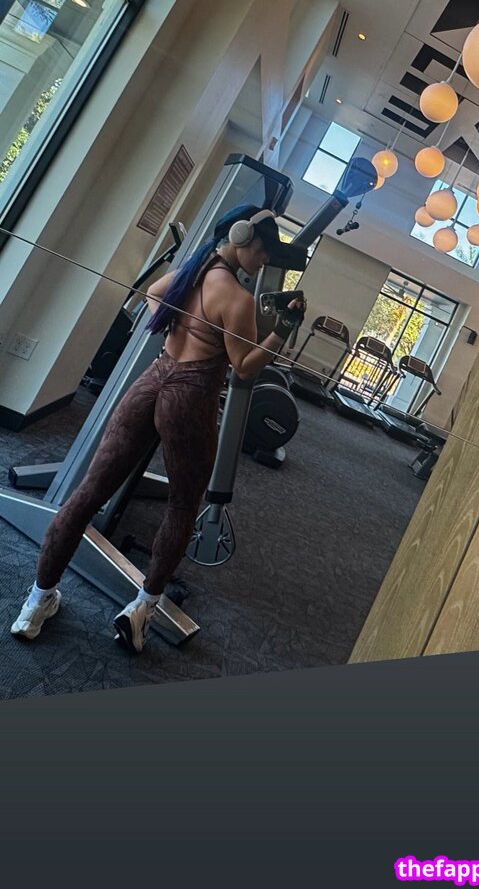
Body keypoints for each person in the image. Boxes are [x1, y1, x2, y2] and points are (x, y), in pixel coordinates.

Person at [11, 205, 306, 653]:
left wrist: (175, 327)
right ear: (242, 237)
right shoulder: (237, 298)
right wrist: (282, 330)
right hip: (189, 397)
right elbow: (244, 368)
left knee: (88, 493)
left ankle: (36, 601)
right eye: (264, 249)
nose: (265, 259)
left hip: (152, 381)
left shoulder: (191, 272)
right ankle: (143, 609)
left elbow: (153, 292)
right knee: (183, 506)